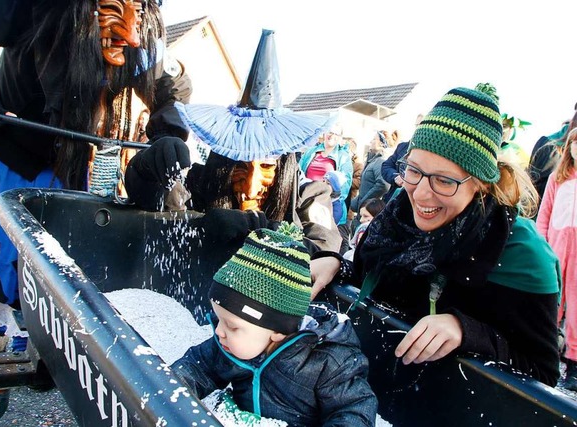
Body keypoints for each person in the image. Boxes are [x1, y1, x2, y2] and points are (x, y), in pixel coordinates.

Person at [0, 0, 192, 353]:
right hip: (10, 154)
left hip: (68, 161)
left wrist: (168, 133)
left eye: (139, 14)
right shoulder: (36, 8)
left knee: (57, 255)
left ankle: (35, 325)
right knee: (2, 252)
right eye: (114, 11)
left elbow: (170, 87)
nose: (132, 36)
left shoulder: (140, 39)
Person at [311, 85, 561, 387]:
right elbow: (373, 288)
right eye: (414, 171)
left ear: (480, 184)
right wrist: (338, 266)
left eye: (444, 180)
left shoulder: (519, 254)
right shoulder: (392, 222)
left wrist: (466, 330)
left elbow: (540, 375)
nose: (421, 194)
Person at [125, 29, 340, 254]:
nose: (251, 187)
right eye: (240, 166)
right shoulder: (201, 183)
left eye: (266, 167)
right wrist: (147, 167)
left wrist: (262, 230)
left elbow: (324, 250)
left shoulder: (307, 196)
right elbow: (153, 200)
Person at [170, 225, 377, 426]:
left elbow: (354, 409)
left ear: (278, 331)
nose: (218, 331)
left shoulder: (327, 361)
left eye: (232, 326)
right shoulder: (229, 346)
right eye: (220, 319)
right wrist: (168, 391)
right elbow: (197, 367)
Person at [536, 127, 577, 390]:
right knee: (551, 301)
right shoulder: (557, 178)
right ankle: (545, 353)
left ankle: (573, 361)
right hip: (556, 247)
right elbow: (544, 214)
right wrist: (541, 247)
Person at [299, 125, 354, 253]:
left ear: (340, 138)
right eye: (329, 132)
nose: (331, 135)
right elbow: (299, 172)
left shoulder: (343, 157)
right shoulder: (311, 152)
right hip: (305, 201)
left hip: (327, 206)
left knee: (322, 245)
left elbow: (345, 186)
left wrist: (329, 203)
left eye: (335, 133)